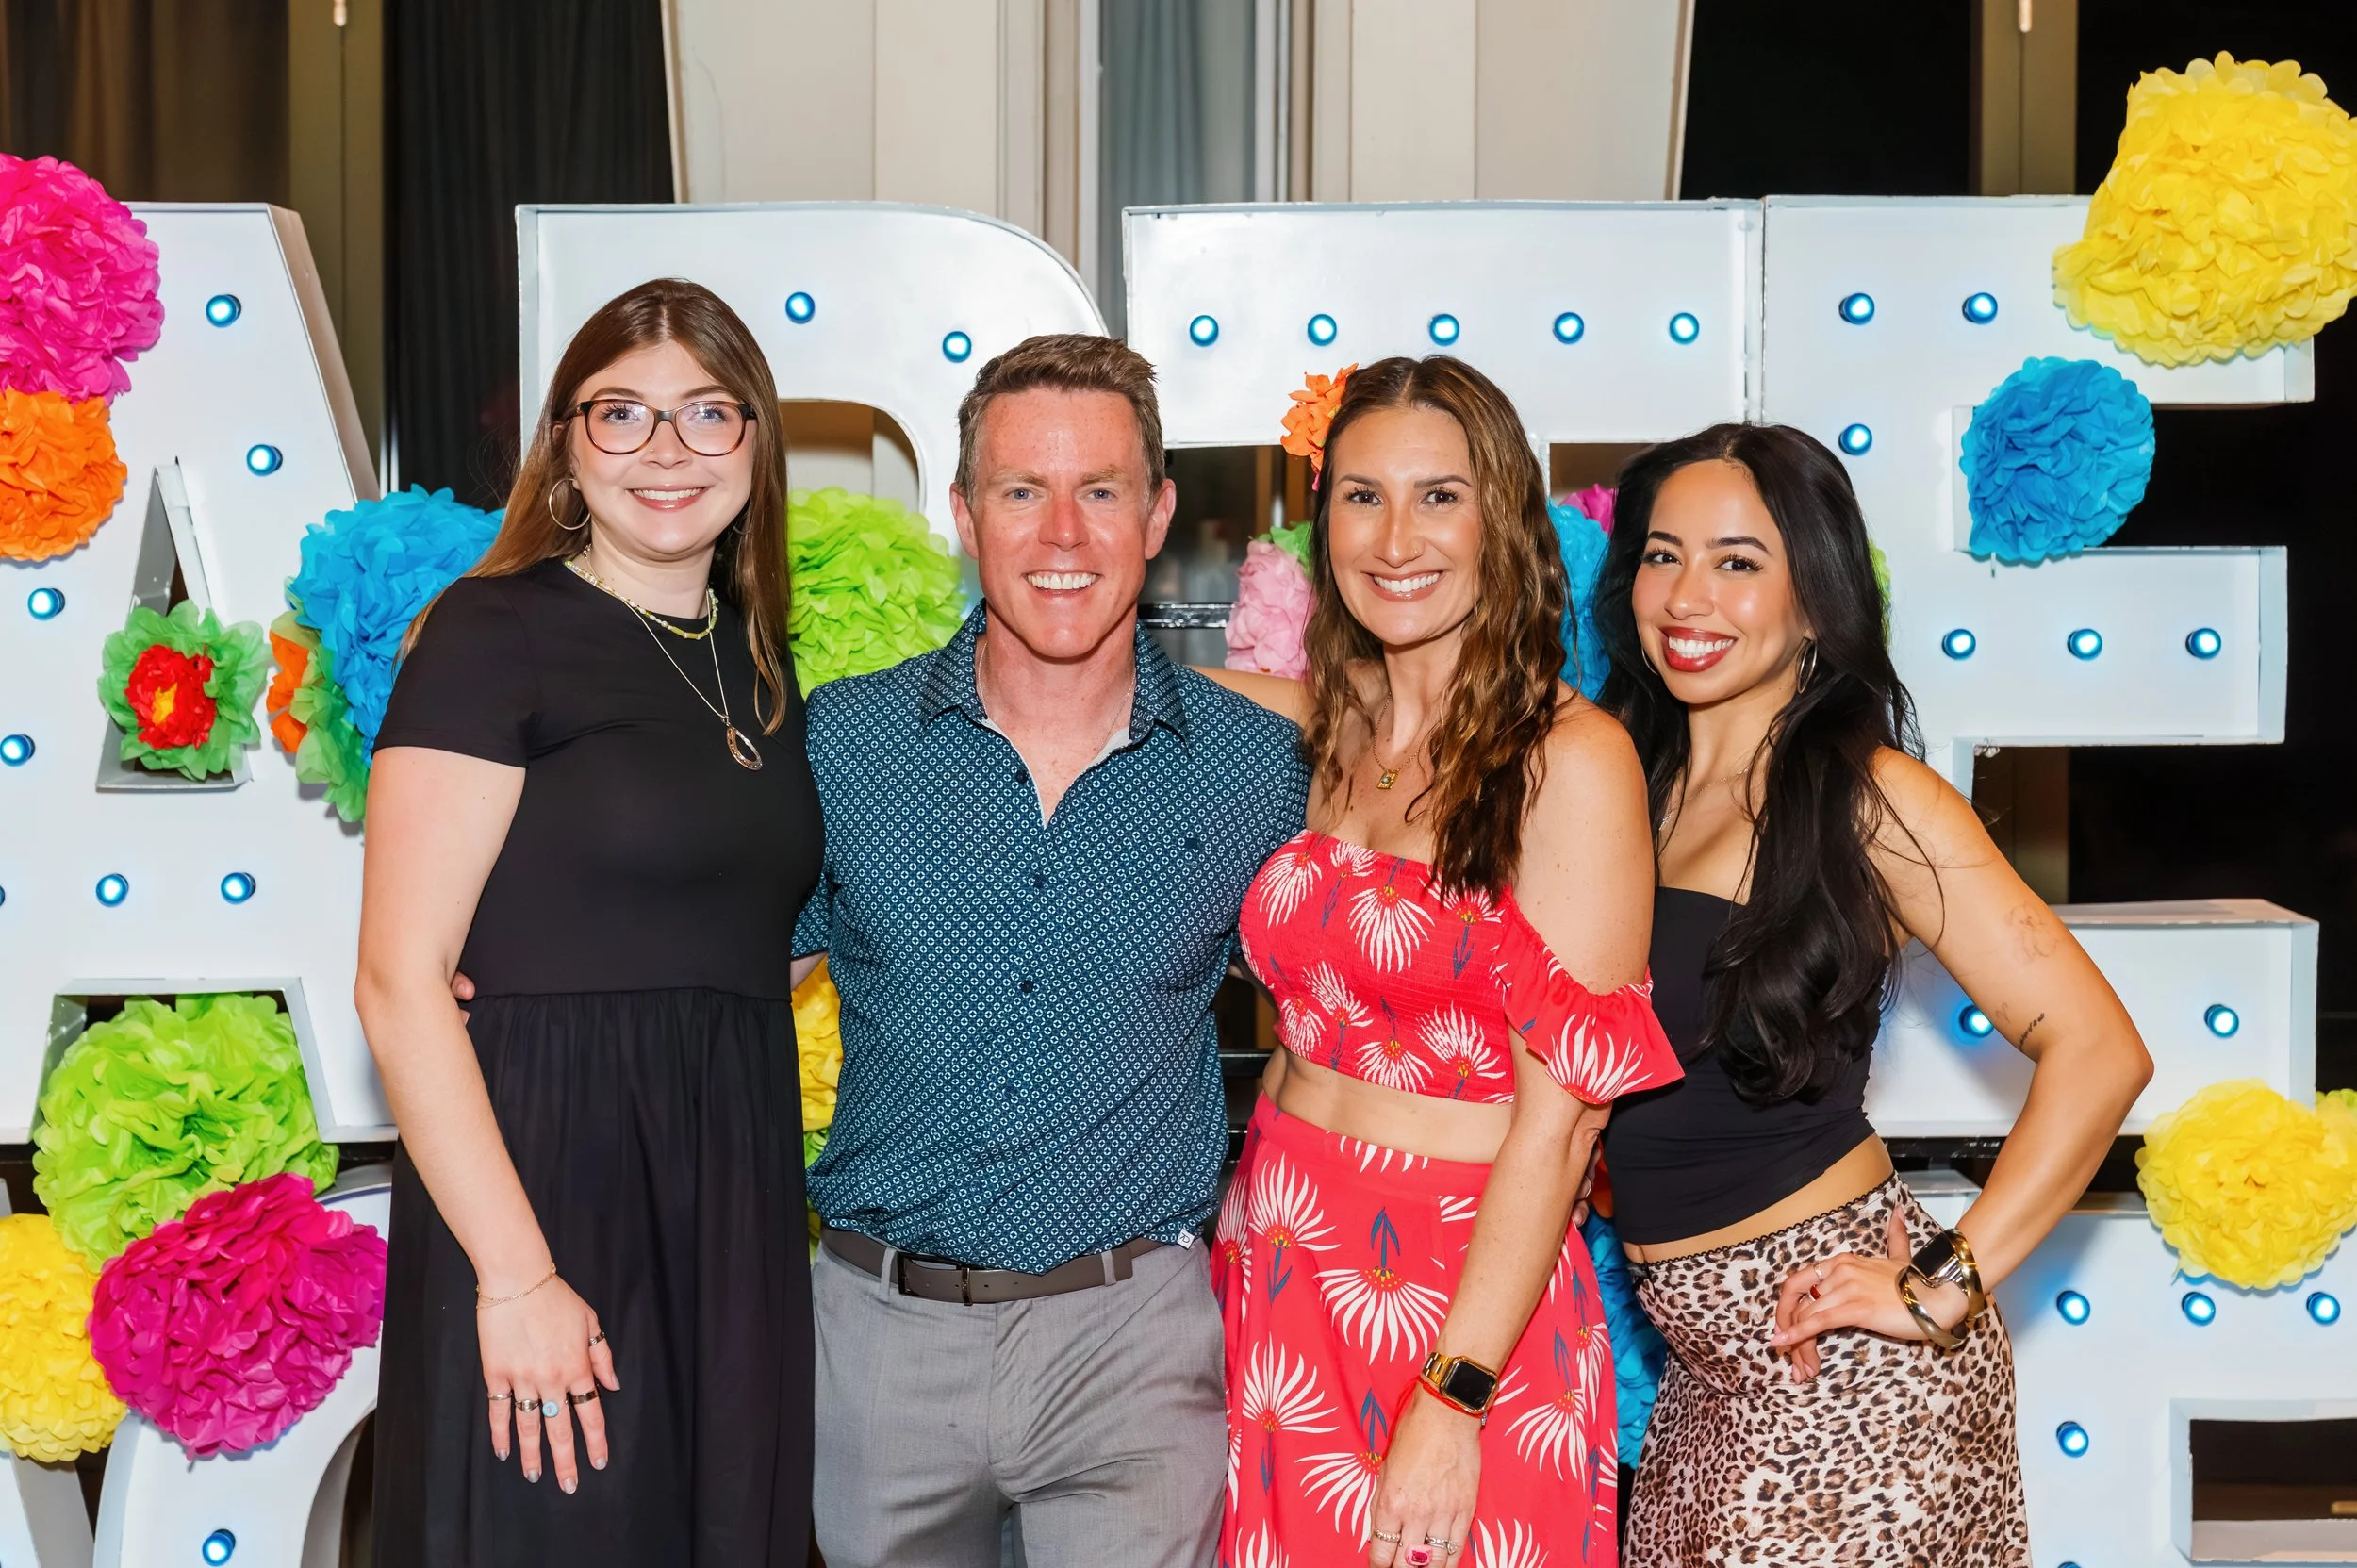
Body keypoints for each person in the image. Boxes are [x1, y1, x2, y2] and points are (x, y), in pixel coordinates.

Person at [1590, 424, 2152, 1563]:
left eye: (1738, 562)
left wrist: (1945, 1281)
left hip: (1846, 1367)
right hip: (1699, 1378)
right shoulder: (1623, 784)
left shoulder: (1869, 798)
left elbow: (2101, 1050)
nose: (1688, 596)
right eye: (1662, 555)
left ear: (1814, 598)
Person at [792, 333, 1309, 1568]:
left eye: (1101, 490)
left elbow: (1366, 998)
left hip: (1133, 1347)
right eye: (1023, 490)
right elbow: (712, 987)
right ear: (964, 513)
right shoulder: (843, 743)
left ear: (1157, 513)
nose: (1063, 535)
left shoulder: (1259, 767)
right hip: (881, 1343)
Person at [357, 278, 817, 1565]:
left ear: (755, 443)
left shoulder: (758, 657)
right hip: (548, 1191)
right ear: (566, 446)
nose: (666, 450)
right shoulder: (491, 632)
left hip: (726, 1199)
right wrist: (516, 1273)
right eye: (622, 413)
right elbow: (398, 980)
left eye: (706, 413)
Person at [1206, 355, 1683, 1568]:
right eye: (1361, 497)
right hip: (1277, 1252)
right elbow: (1102, 683)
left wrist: (1455, 1393)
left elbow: (1564, 1127)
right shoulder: (1325, 723)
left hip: (1461, 1291)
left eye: (1438, 496)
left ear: (1501, 520)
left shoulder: (1570, 760)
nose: (1394, 538)